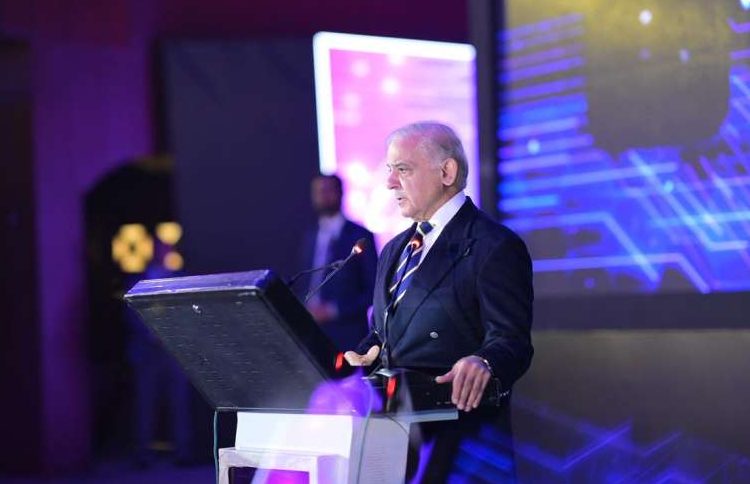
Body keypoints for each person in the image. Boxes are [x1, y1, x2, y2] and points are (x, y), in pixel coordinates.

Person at [344, 122, 534, 482]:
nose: (390, 182)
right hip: (392, 445)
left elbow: (512, 342)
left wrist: (485, 361)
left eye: (403, 169)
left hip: (462, 447)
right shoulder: (394, 249)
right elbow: (385, 333)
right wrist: (367, 351)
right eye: (389, 170)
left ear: (447, 172)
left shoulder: (494, 246)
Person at [298, 174, 378, 352]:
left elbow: (373, 290)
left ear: (340, 193)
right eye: (318, 191)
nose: (323, 196)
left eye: (327, 190)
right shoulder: (310, 235)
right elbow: (305, 282)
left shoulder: (360, 236)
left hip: (347, 335)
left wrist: (333, 310)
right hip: (311, 333)